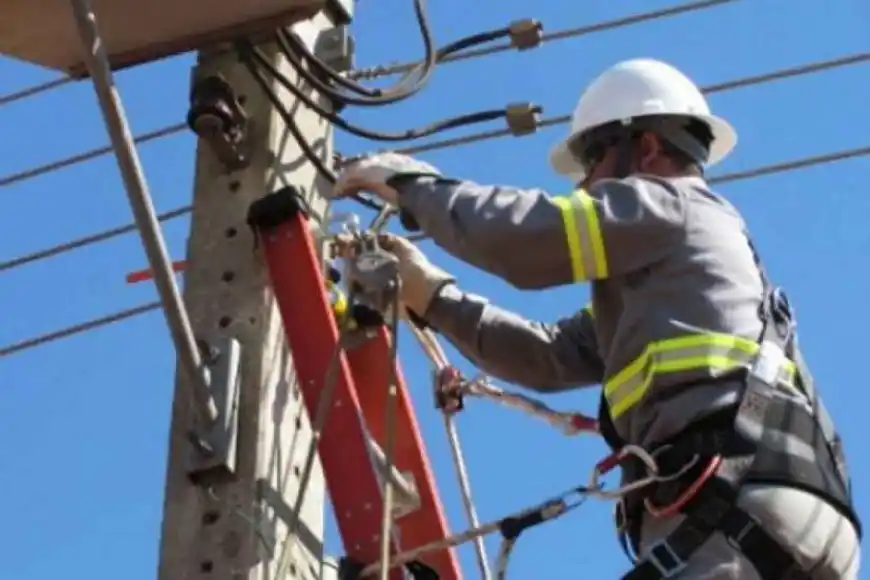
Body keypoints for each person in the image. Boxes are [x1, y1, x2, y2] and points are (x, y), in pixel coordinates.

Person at [329, 58, 861, 579]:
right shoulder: (672, 289)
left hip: (731, 506)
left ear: (646, 147)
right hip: (785, 512)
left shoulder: (672, 206)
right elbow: (547, 355)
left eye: (592, 162)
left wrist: (416, 187)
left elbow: (527, 238)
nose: (584, 186)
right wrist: (435, 297)